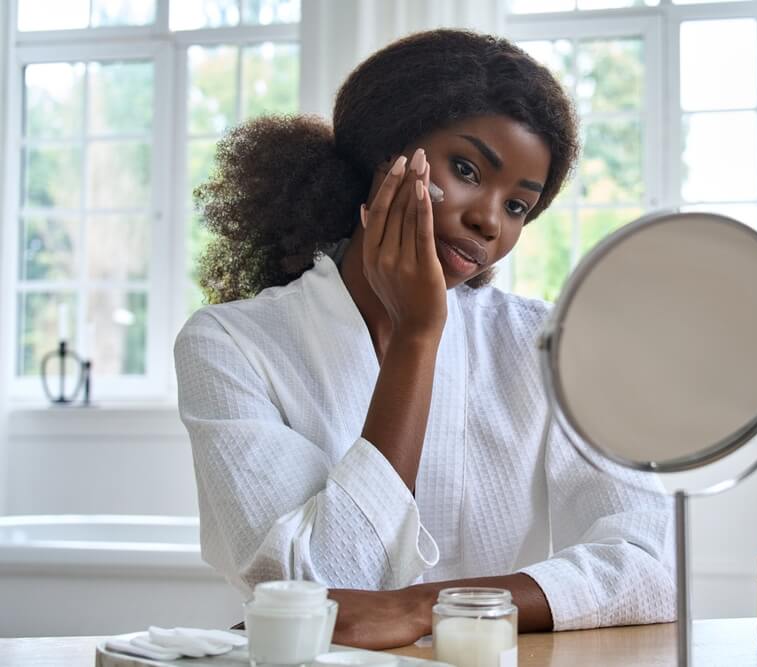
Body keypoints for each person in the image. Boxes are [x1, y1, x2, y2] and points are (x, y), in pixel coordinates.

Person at [174, 29, 674, 650]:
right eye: (466, 170)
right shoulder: (231, 345)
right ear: (383, 155)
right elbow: (326, 597)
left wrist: (427, 607)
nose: (489, 220)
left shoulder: (544, 343)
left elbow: (652, 565)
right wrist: (417, 337)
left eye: (519, 206)